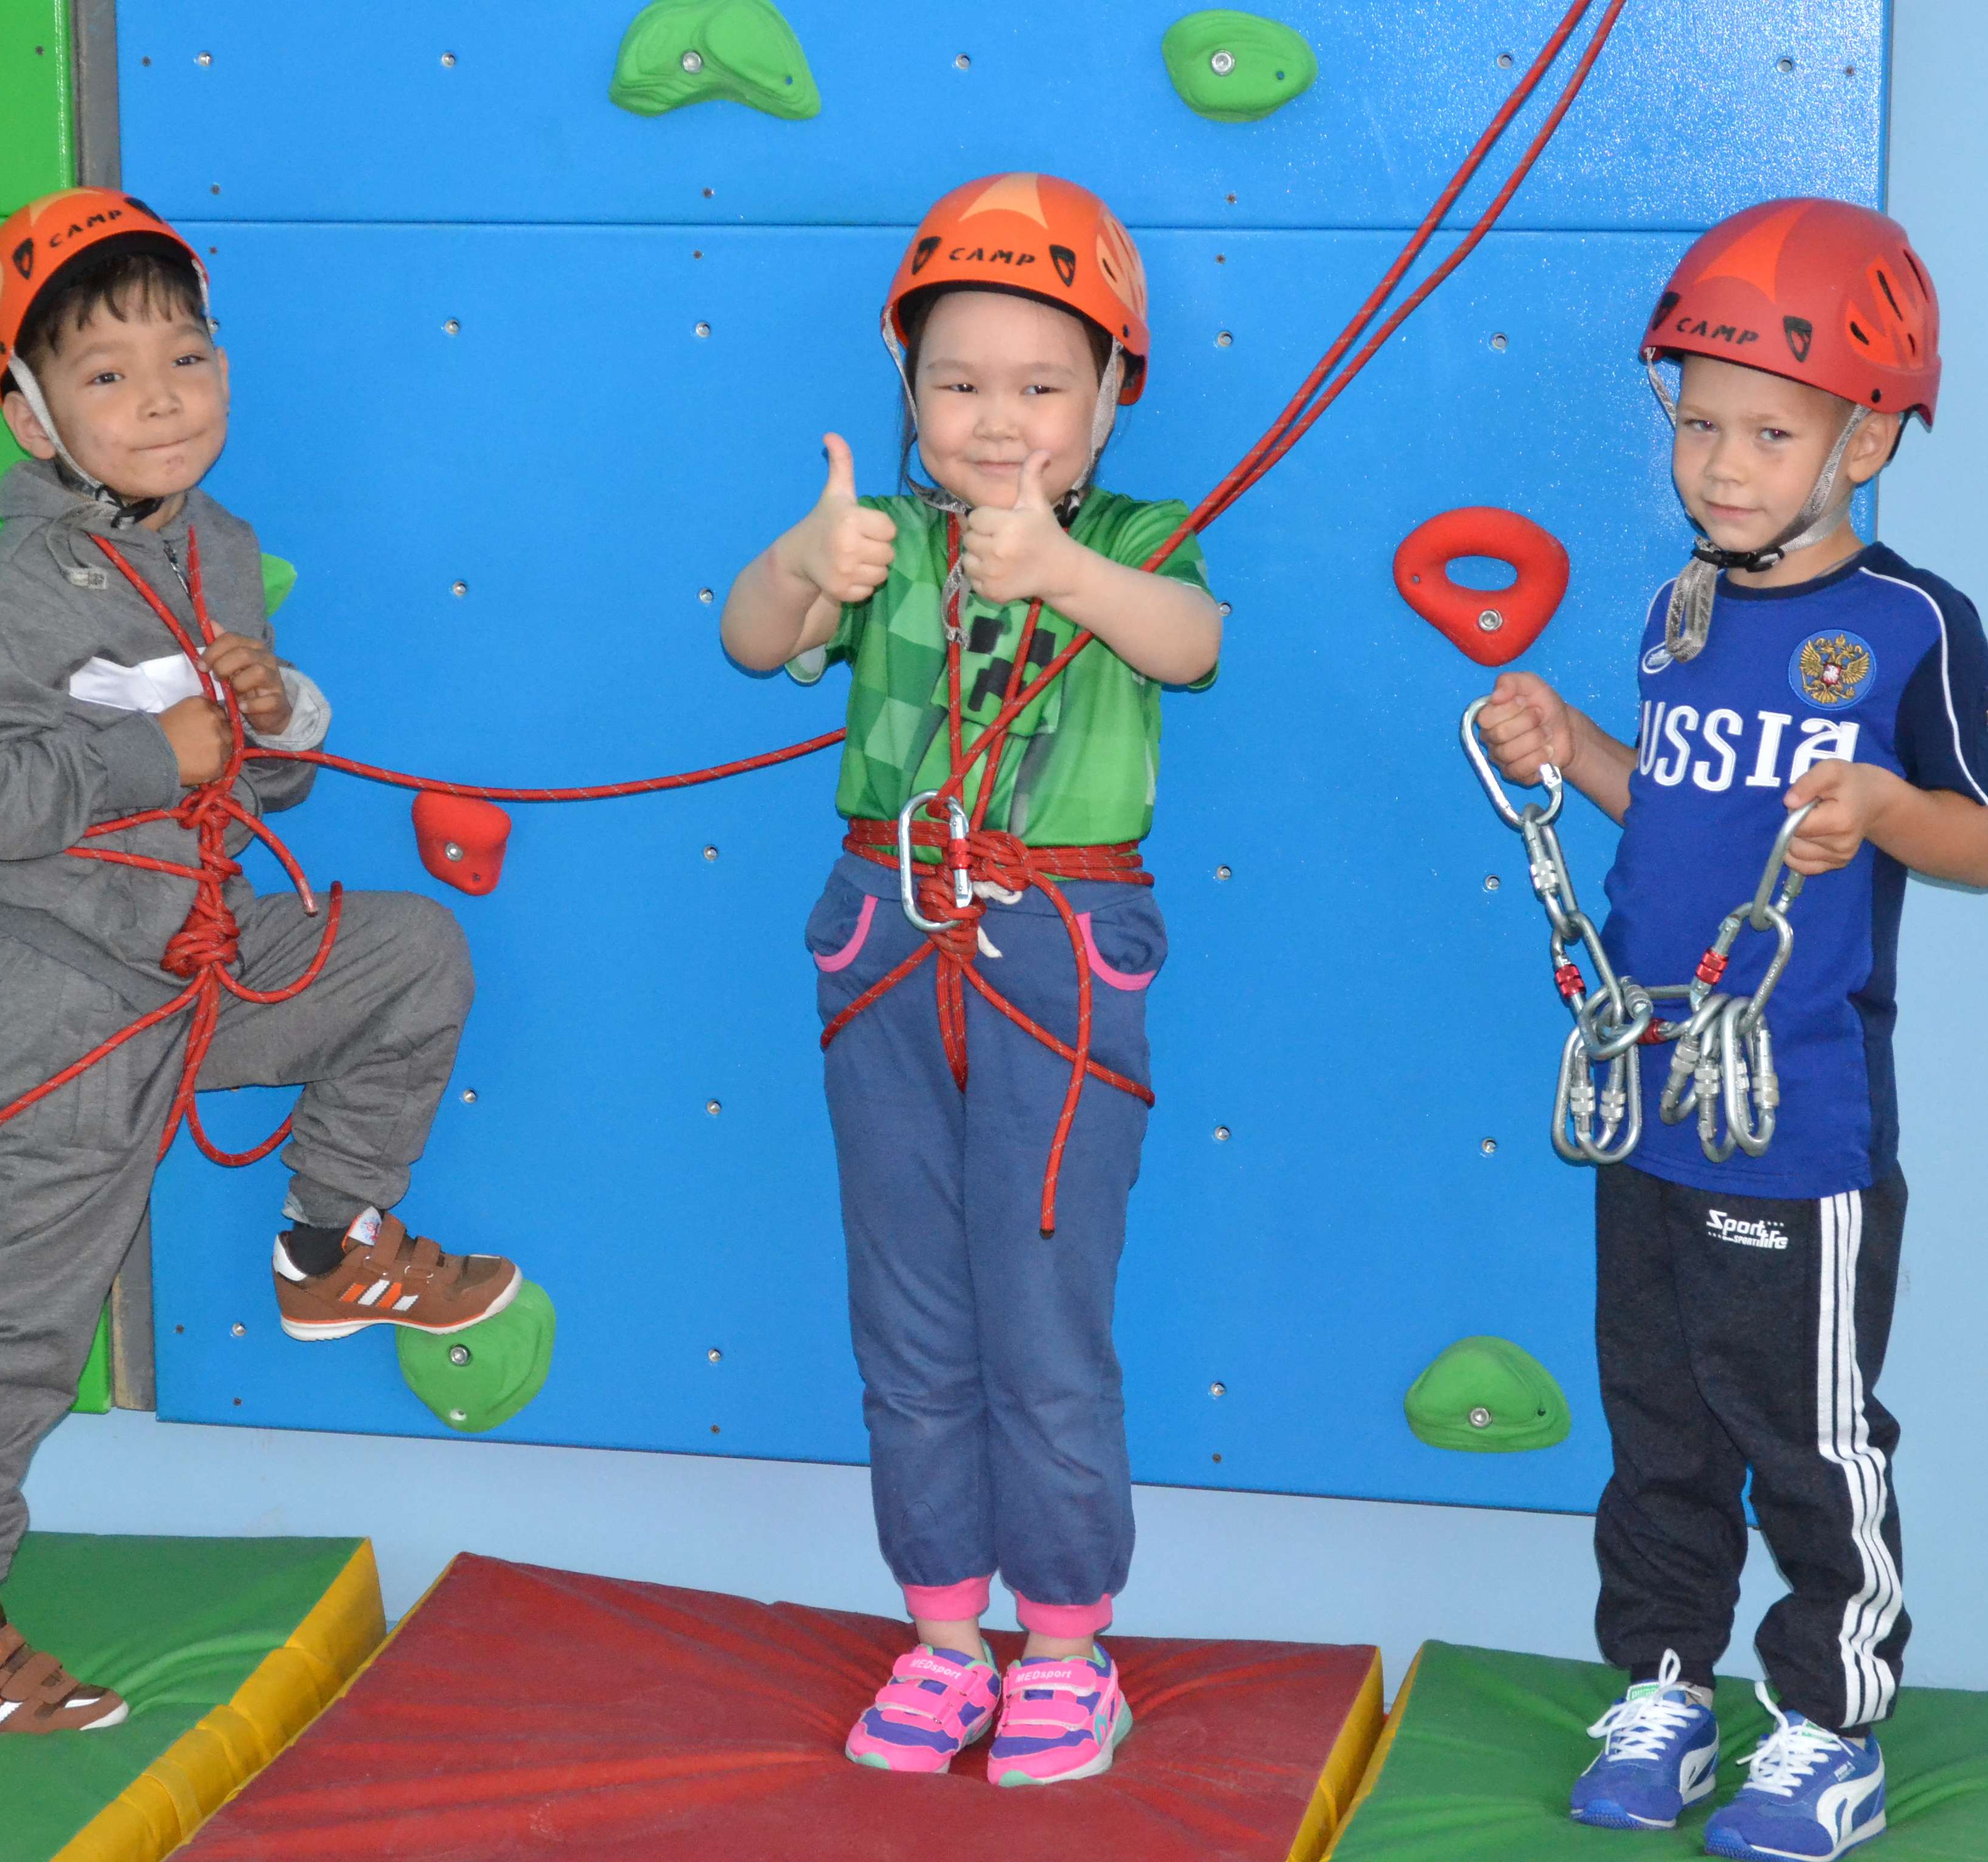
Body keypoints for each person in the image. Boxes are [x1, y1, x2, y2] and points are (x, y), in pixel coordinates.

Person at [0, 189, 518, 1732]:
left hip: (205, 961)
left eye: (187, 356)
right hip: (66, 1003)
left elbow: (251, 776)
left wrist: (273, 717)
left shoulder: (216, 543)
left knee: (413, 952)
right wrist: (151, 750)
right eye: (106, 375)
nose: (160, 397)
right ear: (33, 417)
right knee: (20, 1328)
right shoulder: (17, 594)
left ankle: (328, 1248)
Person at [1473, 199, 1988, 1858]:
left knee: (1808, 1436)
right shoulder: (1675, 617)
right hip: (1652, 1101)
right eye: (1699, 423)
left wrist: (1881, 806)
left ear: (1863, 437)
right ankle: (1662, 1687)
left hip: (1806, 1121)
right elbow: (1675, 825)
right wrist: (1571, 742)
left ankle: (1831, 1724)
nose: (1722, 465)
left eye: (1769, 432)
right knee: (1660, 1424)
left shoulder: (1918, 625)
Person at [721, 173, 1222, 1787]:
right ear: (905, 387)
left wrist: (1062, 573)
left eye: (1040, 385)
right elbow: (748, 641)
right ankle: (943, 1635)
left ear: (1113, 393)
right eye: (956, 382)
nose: (995, 418)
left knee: (1042, 1312)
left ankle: (1068, 1649)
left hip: (1056, 954)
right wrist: (810, 561)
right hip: (883, 935)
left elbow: (1190, 642)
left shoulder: (1140, 542)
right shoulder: (881, 543)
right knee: (913, 1314)